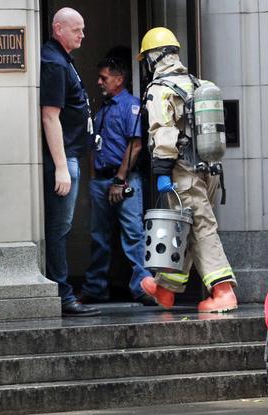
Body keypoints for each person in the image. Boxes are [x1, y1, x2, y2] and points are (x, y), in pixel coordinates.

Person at [137, 27, 238, 313]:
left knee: (201, 226)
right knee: (185, 225)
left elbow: (163, 132)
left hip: (182, 169)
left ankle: (223, 291)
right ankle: (166, 288)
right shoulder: (198, 83)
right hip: (210, 169)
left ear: (153, 58)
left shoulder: (161, 90)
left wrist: (162, 172)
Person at [78, 57, 155, 306]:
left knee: (133, 235)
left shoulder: (129, 106)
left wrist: (119, 180)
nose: (99, 82)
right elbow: (94, 145)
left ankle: (143, 287)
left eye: (105, 78)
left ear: (119, 79)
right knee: (99, 237)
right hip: (101, 181)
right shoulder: (103, 108)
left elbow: (135, 145)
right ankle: (95, 288)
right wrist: (93, 178)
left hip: (123, 180)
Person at [40, 7, 100, 317]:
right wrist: (62, 166)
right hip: (64, 159)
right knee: (59, 230)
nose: (82, 35)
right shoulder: (53, 63)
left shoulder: (62, 60)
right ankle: (62, 295)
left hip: (71, 155)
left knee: (61, 229)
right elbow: (50, 116)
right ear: (60, 29)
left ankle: (62, 292)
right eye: (77, 29)